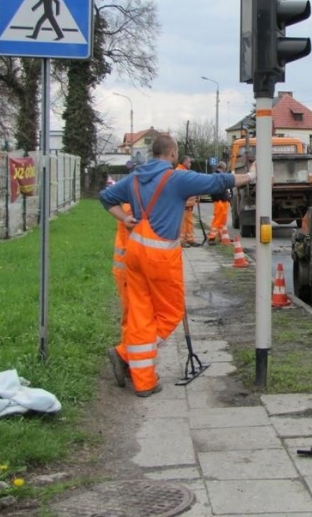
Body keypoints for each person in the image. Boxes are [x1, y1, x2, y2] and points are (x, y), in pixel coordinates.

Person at [99, 134, 256, 397]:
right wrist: (251, 175)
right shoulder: (176, 178)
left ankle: (144, 379)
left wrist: (125, 217)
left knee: (140, 311)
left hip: (135, 250)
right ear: (172, 153)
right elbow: (218, 181)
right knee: (170, 313)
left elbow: (106, 197)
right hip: (160, 255)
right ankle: (126, 354)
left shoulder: (135, 178)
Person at [176, 155, 199, 247]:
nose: (190, 163)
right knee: (182, 224)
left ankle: (190, 239)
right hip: (182, 204)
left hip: (188, 205)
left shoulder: (184, 172)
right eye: (189, 162)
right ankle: (182, 241)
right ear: (184, 162)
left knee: (189, 222)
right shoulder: (180, 172)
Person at [207, 161, 231, 245]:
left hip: (221, 201)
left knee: (221, 221)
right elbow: (219, 190)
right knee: (217, 220)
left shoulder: (215, 176)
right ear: (223, 168)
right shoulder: (218, 176)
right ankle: (211, 238)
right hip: (220, 201)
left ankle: (221, 237)